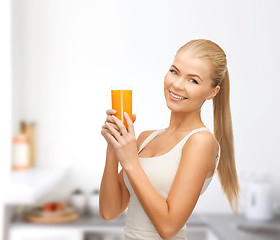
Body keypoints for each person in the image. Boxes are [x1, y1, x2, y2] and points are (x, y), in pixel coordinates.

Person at [100, 39, 240, 240]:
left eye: (193, 80)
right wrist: (114, 147)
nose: (177, 84)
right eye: (174, 71)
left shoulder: (201, 142)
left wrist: (130, 161)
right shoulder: (146, 138)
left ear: (212, 92)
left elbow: (168, 227)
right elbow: (109, 211)